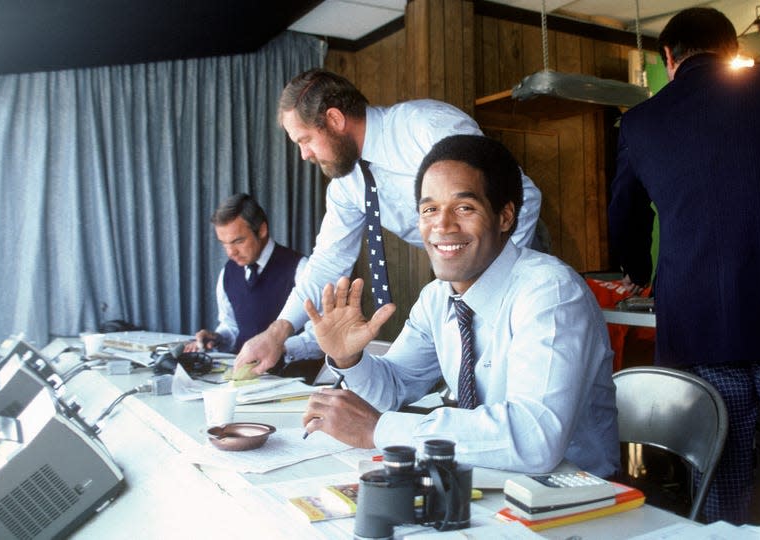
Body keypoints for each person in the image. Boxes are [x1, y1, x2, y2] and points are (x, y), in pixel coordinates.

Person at [302, 134, 619, 477]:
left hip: (574, 499)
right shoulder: (438, 297)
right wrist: (349, 359)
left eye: (464, 208)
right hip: (484, 483)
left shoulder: (550, 293)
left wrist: (380, 430)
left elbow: (534, 439)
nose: (442, 225)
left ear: (505, 217)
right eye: (429, 209)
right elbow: (392, 389)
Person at [234, 69, 542, 375]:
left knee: (520, 371)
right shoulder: (346, 185)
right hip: (459, 269)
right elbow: (328, 264)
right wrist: (276, 334)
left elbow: (524, 198)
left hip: (513, 251)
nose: (304, 155)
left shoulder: (426, 127)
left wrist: (488, 285)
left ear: (335, 120)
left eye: (305, 140)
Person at [608, 7, 760, 523]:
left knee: (719, 471)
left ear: (668, 57)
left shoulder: (640, 121)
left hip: (700, 321)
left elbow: (625, 214)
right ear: (731, 49)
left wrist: (637, 269)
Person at [184, 194, 322, 363]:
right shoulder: (227, 272)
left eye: (238, 241)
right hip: (244, 380)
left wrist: (279, 347)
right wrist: (218, 338)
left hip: (292, 381)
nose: (230, 252)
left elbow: (320, 338)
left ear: (262, 230)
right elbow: (232, 327)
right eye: (224, 243)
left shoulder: (301, 269)